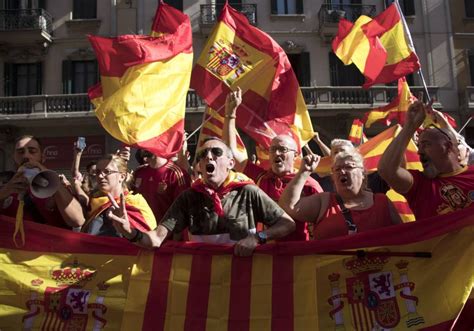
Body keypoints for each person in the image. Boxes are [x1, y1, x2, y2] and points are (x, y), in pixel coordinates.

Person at [109, 137, 296, 256]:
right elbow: (156, 239)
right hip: (203, 281)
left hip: (243, 280)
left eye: (216, 152)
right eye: (202, 155)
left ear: (230, 163)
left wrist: (258, 238)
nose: (209, 157)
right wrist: (130, 232)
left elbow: (287, 224)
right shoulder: (188, 197)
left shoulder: (248, 192)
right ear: (199, 166)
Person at [222, 88, 323, 241]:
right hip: (264, 254)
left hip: (298, 256)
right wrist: (230, 115)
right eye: (273, 150)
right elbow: (231, 154)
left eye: (282, 149)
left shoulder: (309, 185)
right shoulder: (262, 177)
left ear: (295, 155)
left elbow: (322, 223)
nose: (276, 154)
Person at [378, 101, 474, 219]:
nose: (419, 151)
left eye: (426, 145)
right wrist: (409, 127)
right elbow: (387, 170)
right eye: (419, 146)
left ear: (448, 147)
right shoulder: (419, 185)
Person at [280, 151, 401, 239]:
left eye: (349, 167)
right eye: (337, 169)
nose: (342, 171)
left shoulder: (382, 202)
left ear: (363, 174)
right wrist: (304, 172)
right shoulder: (324, 201)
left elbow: (403, 237)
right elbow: (288, 205)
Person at [0, 135, 84, 228]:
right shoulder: (6, 187)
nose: (26, 155)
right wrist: (3, 193)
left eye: (32, 151)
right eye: (20, 152)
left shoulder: (56, 184)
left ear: (43, 157)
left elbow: (77, 220)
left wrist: (52, 181)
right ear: (14, 158)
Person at [82, 154, 157, 236]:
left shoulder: (135, 203)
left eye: (107, 172)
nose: (100, 176)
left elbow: (148, 239)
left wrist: (128, 230)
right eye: (97, 172)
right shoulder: (93, 202)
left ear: (122, 176)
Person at [132, 149, 191, 223]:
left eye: (149, 141)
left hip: (164, 233)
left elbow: (182, 212)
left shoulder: (176, 173)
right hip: (141, 231)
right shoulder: (139, 172)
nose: (143, 147)